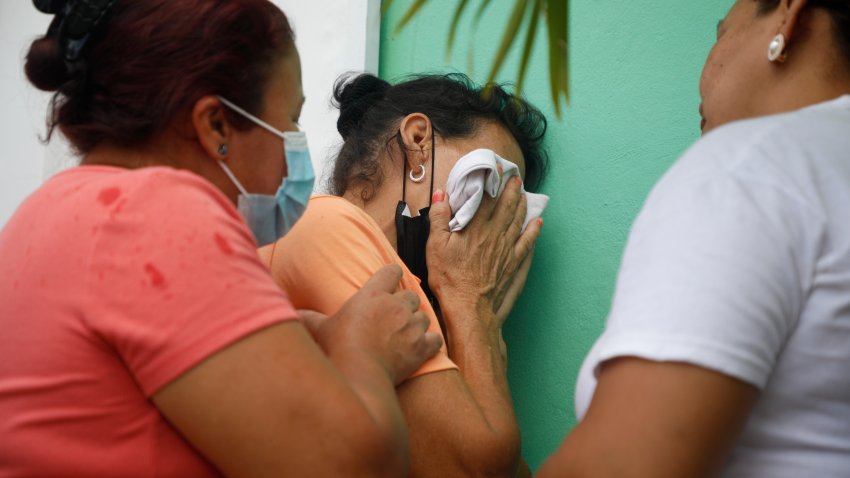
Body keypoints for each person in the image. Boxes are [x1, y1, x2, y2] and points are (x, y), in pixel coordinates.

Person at [0, 1, 443, 476]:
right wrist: (367, 352)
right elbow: (347, 466)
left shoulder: (52, 211)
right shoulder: (158, 216)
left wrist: (317, 341)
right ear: (216, 127)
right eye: (290, 121)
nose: (297, 142)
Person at [539, 0, 850, 476]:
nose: (702, 73)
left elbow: (623, 466)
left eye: (721, 31)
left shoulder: (752, 164)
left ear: (789, 17)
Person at [258, 73, 548, 477]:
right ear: (417, 141)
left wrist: (471, 319)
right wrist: (471, 304)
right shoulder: (325, 222)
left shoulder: (423, 309)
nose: (489, 222)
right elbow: (468, 468)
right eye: (484, 183)